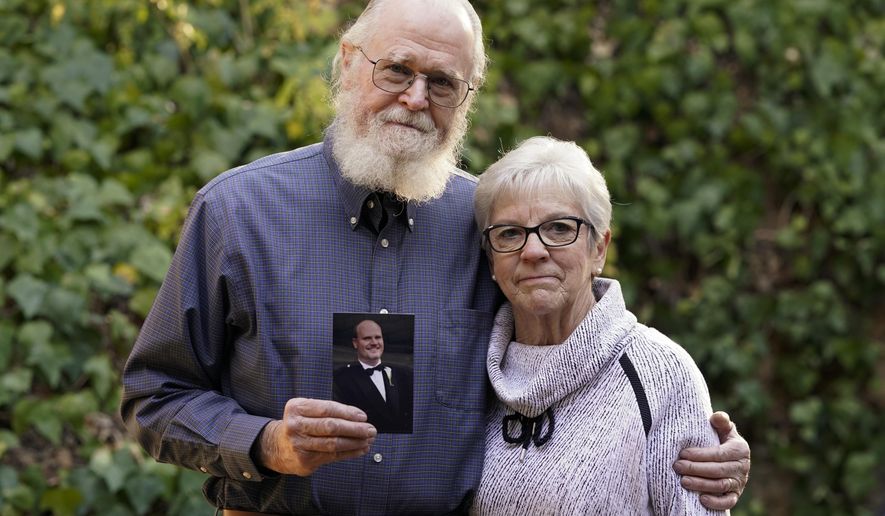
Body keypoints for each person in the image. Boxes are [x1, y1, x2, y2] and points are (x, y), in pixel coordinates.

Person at [120, 0, 750, 514]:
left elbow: (567, 359)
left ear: (466, 98)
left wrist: (686, 435)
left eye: (443, 82)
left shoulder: (492, 224)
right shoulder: (238, 212)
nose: (416, 98)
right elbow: (155, 396)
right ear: (348, 63)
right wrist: (265, 443)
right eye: (396, 69)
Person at [470, 136, 737, 514]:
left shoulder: (661, 375)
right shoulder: (467, 369)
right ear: (491, 261)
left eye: (559, 228)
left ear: (599, 248)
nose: (532, 251)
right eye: (509, 233)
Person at [333, 320, 413, 433]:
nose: (374, 342)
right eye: (367, 338)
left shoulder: (404, 374)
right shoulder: (340, 378)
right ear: (355, 343)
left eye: (378, 337)